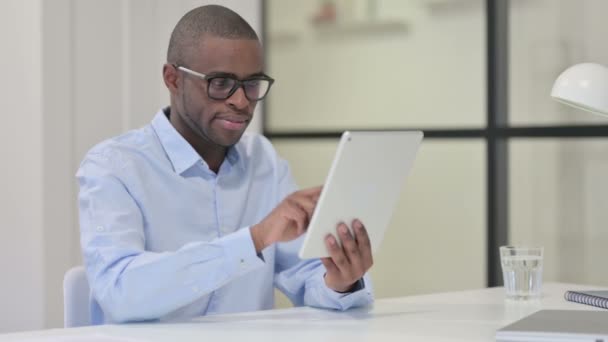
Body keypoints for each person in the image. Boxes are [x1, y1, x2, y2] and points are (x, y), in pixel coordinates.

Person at [76, 4, 374, 324]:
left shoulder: (263, 161)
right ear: (173, 79)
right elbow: (120, 292)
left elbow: (304, 273)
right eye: (220, 83)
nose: (241, 101)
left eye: (252, 83)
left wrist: (340, 280)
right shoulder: (114, 166)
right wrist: (255, 239)